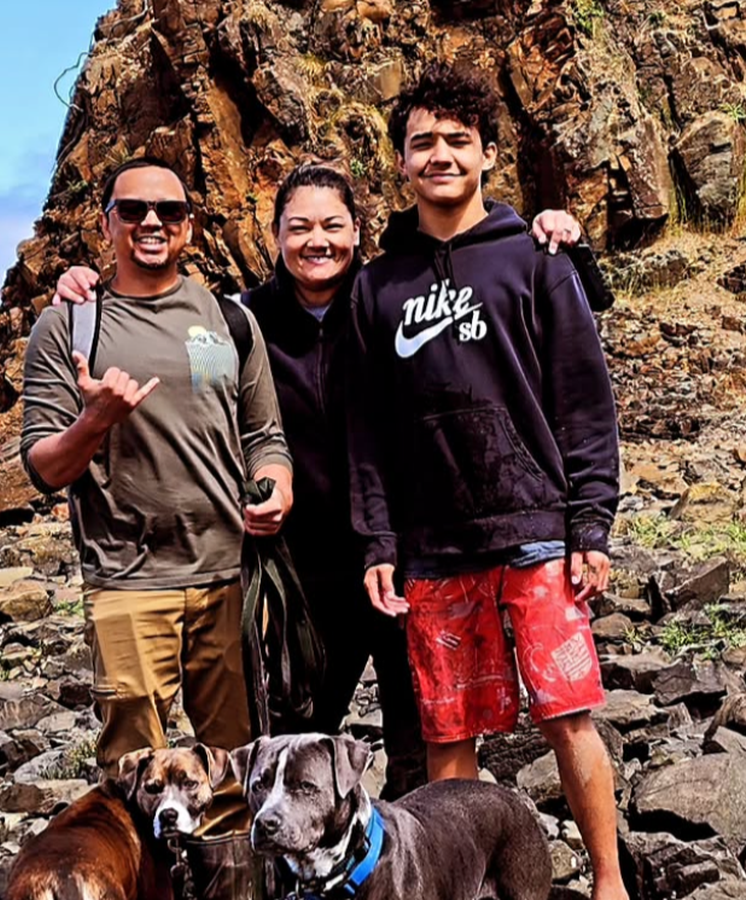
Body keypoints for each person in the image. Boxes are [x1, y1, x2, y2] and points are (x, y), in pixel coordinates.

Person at [54, 165, 589, 799]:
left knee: (422, 740)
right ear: (275, 235)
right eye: (299, 227)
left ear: (358, 231)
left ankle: (412, 855)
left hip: (407, 559)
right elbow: (186, 365)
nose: (318, 241)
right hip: (300, 573)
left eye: (332, 225)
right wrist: (87, 287)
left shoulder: (397, 296)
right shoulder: (243, 321)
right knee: (293, 746)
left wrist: (552, 234)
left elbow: (489, 290)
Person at [345, 63, 629, 900]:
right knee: (449, 734)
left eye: (457, 140)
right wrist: (378, 540)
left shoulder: (536, 260)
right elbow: (366, 430)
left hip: (538, 531)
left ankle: (610, 882)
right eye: (422, 142)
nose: (440, 155)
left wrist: (591, 523)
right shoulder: (376, 286)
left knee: (568, 714)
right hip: (433, 549)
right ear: (401, 161)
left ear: (488, 155)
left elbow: (584, 401)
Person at [21, 156, 290, 899]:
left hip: (228, 577)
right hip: (127, 583)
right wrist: (95, 420)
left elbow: (265, 434)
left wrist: (278, 487)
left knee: (233, 769)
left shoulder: (229, 319)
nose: (151, 222)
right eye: (133, 209)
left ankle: (232, 891)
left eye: (168, 211)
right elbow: (43, 467)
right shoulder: (70, 324)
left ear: (189, 227)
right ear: (105, 222)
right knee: (132, 778)